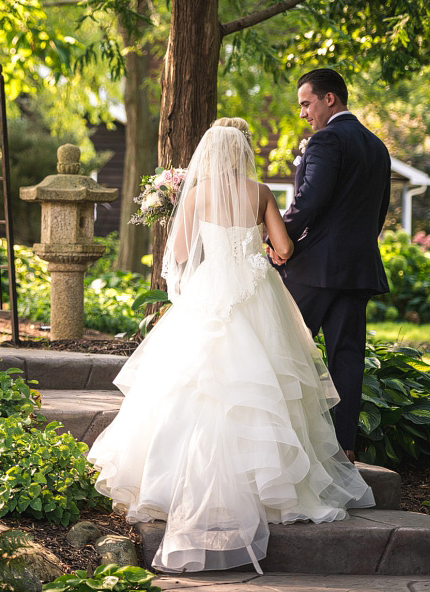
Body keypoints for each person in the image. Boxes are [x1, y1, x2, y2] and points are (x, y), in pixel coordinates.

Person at [87, 117, 374, 575]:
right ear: (241, 152)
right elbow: (283, 247)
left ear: (209, 154)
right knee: (270, 379)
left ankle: (166, 484)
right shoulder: (260, 191)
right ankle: (272, 483)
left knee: (195, 382)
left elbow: (179, 255)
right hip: (258, 290)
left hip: (210, 289)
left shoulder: (196, 195)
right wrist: (266, 250)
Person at [270, 69, 391, 463]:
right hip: (358, 270)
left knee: (283, 348)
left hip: (315, 270)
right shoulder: (377, 146)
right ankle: (343, 450)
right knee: (347, 357)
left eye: (306, 103)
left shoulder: (326, 140)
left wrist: (278, 241)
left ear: (329, 100)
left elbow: (309, 200)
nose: (304, 113)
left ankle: (282, 443)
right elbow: (379, 213)